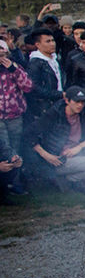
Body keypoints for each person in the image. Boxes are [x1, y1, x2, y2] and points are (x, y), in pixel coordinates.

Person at [31, 86, 85, 192]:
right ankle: (72, 180)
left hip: (78, 152)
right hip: (61, 160)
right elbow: (29, 135)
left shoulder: (83, 113)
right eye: (77, 102)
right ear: (67, 100)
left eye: (82, 102)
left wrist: (79, 147)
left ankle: (76, 178)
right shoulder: (54, 114)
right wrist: (47, 156)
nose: (80, 105)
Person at [0, 39, 32, 194]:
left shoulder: (14, 67)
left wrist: (13, 69)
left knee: (15, 149)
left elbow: (28, 86)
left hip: (15, 115)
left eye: (2, 50)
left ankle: (15, 182)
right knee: (4, 149)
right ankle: (5, 186)